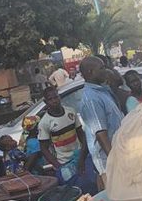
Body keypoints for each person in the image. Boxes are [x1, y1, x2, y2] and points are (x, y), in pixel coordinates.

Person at [78, 56, 124, 185]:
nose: (105, 71)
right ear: (90, 72)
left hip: (118, 154)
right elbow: (100, 134)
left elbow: (118, 81)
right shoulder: (91, 99)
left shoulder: (102, 91)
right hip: (109, 162)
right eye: (102, 68)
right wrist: (115, 160)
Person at [38, 86, 91, 189]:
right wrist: (57, 165)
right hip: (64, 162)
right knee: (73, 190)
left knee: (89, 185)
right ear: (46, 102)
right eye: (50, 99)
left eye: (56, 97)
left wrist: (83, 155)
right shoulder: (44, 123)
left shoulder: (70, 112)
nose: (54, 101)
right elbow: (43, 148)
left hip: (81, 157)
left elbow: (81, 134)